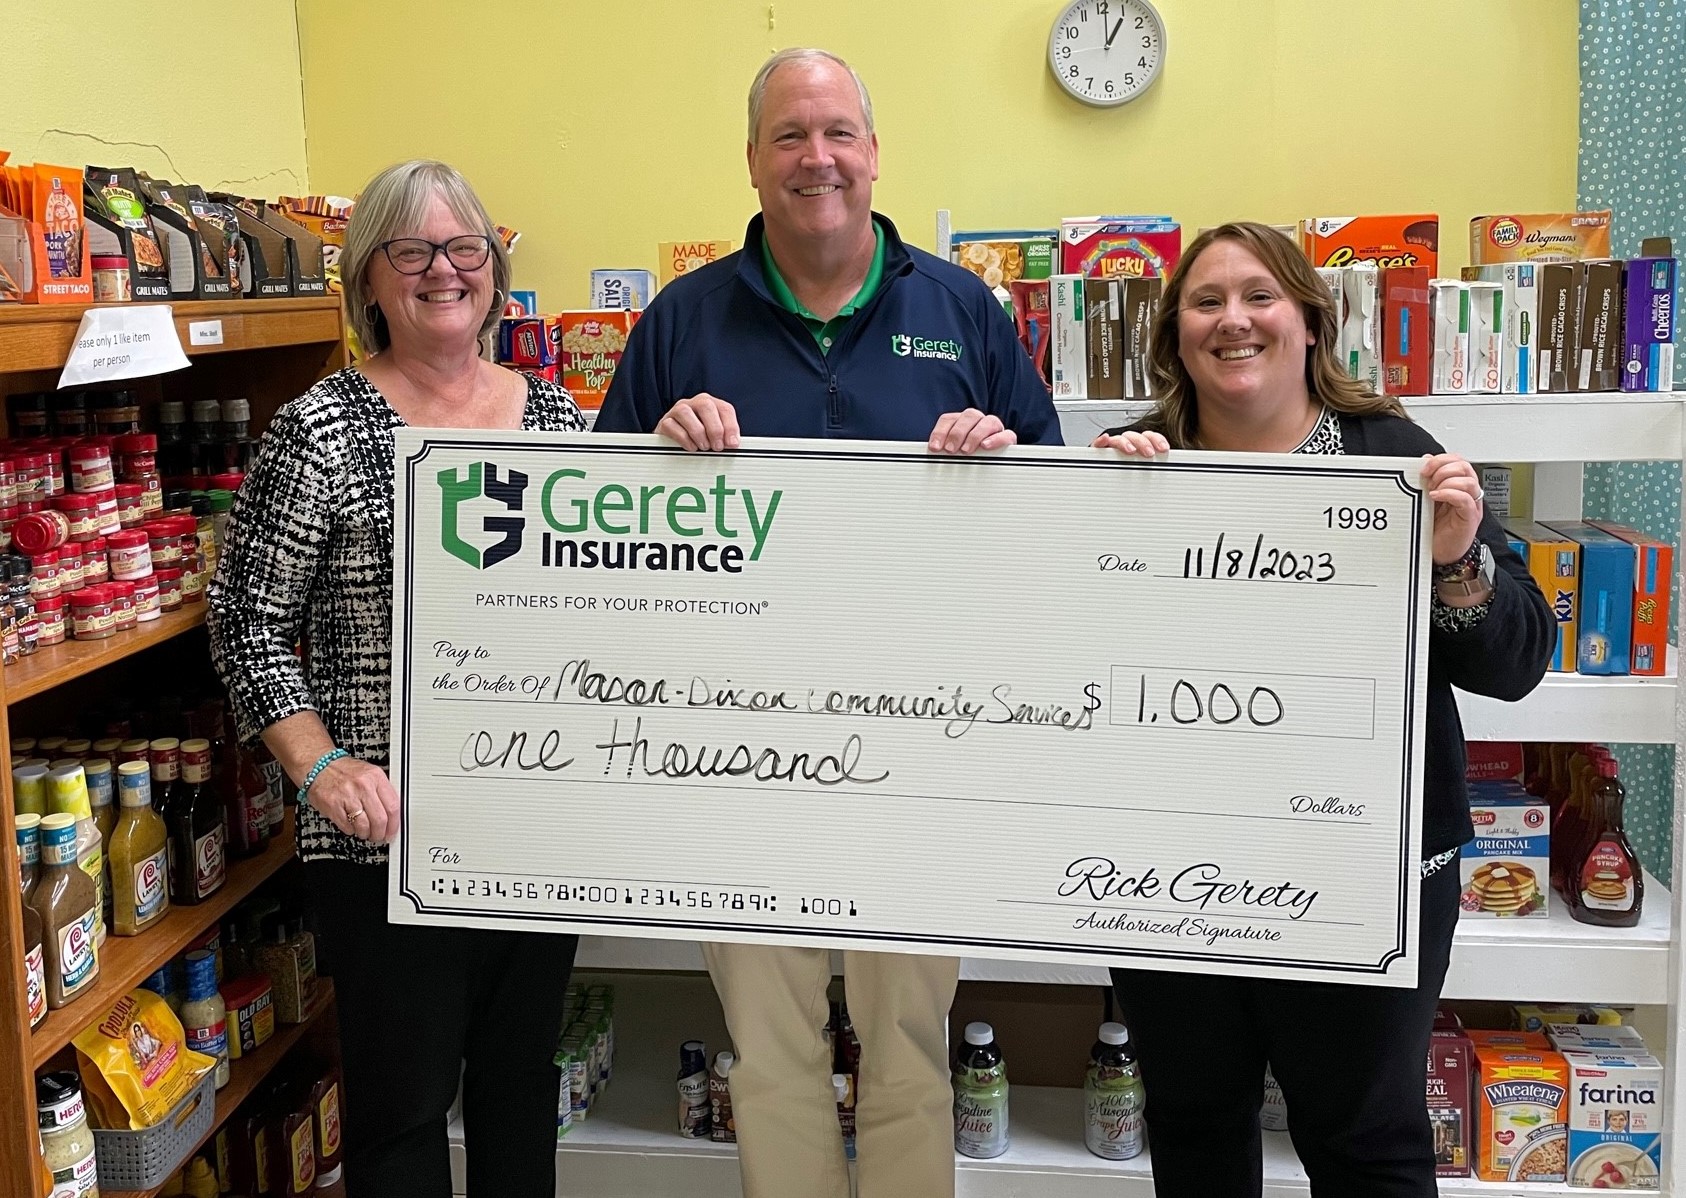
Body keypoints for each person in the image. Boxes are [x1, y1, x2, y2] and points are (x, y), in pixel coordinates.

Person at [595, 47, 1060, 1198]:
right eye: (790, 135)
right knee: (772, 1051)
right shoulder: (681, 322)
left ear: (873, 150)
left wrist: (998, 463)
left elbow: (1061, 509)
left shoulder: (959, 308)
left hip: (922, 749)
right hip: (734, 752)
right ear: (752, 161)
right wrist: (655, 458)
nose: (818, 157)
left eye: (837, 131)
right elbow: (589, 535)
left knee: (908, 1043)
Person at [1093, 221, 1555, 1197]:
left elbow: (1517, 663)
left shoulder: (1394, 455)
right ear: (1175, 334)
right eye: (1205, 301)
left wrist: (1456, 557)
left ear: (1309, 321)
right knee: (1194, 1120)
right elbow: (1067, 663)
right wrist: (1091, 526)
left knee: (1366, 1137)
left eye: (1258, 295)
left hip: (1361, 873)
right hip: (1172, 865)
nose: (1233, 319)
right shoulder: (1138, 463)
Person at [208, 160, 585, 1198]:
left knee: (519, 1086)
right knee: (402, 1109)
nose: (441, 271)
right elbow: (246, 619)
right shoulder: (320, 428)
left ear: (494, 270)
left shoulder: (556, 421)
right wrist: (318, 762)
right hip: (382, 842)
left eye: (464, 248)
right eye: (409, 251)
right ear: (369, 278)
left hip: (531, 828)